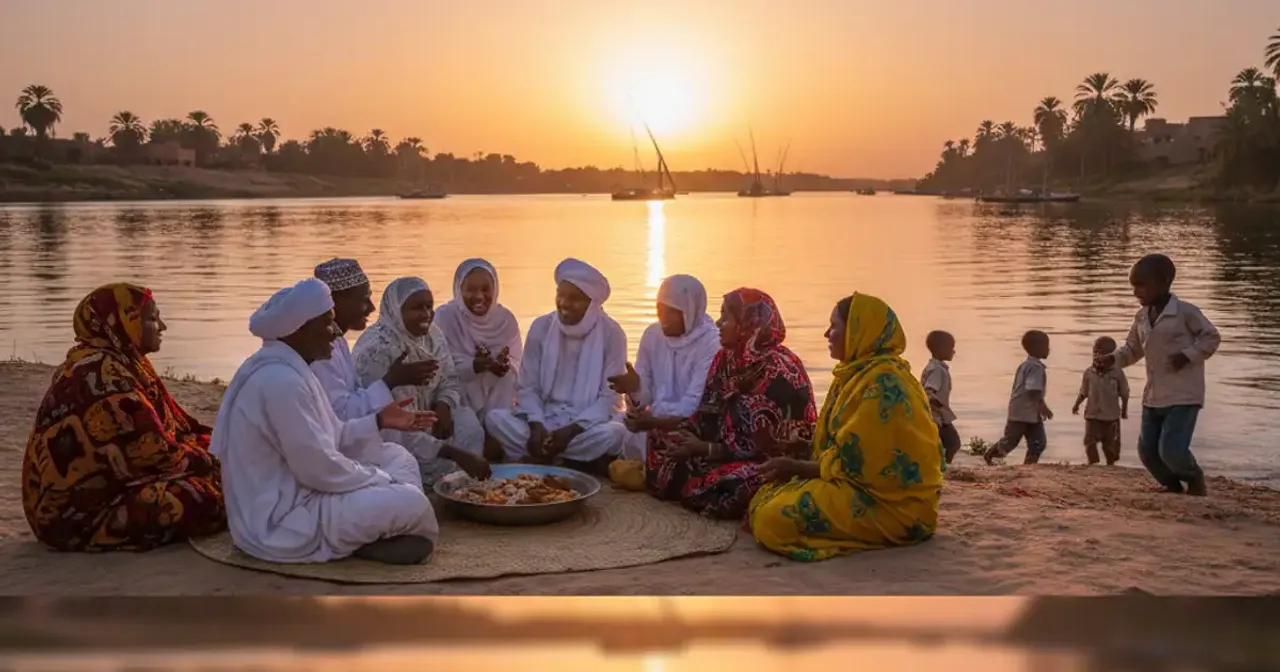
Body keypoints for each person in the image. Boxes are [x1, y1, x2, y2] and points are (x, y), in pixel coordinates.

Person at [212, 278, 440, 565]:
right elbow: (319, 469)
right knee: (413, 503)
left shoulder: (293, 368)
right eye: (328, 323)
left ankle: (369, 533)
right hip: (283, 518)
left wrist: (379, 420)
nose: (335, 332)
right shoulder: (280, 381)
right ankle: (361, 538)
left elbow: (332, 434)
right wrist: (378, 480)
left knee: (399, 457)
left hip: (306, 487)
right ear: (302, 329)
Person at [22, 284, 226, 552]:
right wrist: (214, 461)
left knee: (222, 470)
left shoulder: (119, 361)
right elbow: (156, 454)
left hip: (104, 488)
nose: (162, 326)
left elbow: (173, 434)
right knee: (207, 499)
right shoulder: (103, 377)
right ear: (124, 323)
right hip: (76, 515)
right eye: (152, 319)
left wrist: (214, 451)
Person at [748, 293, 943, 562]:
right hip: (859, 487)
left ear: (856, 332)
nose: (827, 333)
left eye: (834, 327)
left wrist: (796, 467)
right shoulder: (854, 373)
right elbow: (841, 442)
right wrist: (802, 447)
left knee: (773, 520)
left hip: (892, 505)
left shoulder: (885, 384)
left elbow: (859, 467)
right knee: (762, 499)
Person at [645, 288, 817, 519]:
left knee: (737, 482)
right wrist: (688, 434)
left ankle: (701, 491)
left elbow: (764, 447)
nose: (718, 323)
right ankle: (694, 488)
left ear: (748, 323)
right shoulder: (725, 358)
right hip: (719, 452)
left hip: (770, 463)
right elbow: (707, 409)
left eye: (726, 317)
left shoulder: (779, 370)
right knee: (659, 437)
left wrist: (704, 448)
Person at [1096, 254, 1220, 496]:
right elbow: (1132, 349)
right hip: (1153, 395)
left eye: (1142, 285)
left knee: (1172, 450)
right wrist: (1112, 359)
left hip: (1184, 395)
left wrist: (1188, 354)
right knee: (1147, 451)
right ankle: (1171, 486)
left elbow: (1211, 337)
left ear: (1164, 283)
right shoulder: (1142, 317)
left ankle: (1194, 477)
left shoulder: (1185, 312)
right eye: (1133, 286)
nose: (1136, 292)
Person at [484, 258, 628, 466]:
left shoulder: (612, 334)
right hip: (544, 417)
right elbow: (527, 387)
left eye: (574, 298)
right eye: (560, 295)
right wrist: (536, 425)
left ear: (592, 303)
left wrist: (571, 431)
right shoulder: (541, 327)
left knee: (617, 432)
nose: (564, 303)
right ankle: (571, 460)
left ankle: (543, 456)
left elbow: (609, 399)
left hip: (586, 425)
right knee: (495, 418)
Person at [352, 276, 491, 484]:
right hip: (393, 433)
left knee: (468, 423)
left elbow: (449, 379)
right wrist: (453, 453)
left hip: (431, 422)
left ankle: (462, 484)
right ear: (396, 310)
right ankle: (440, 480)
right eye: (417, 308)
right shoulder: (376, 349)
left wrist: (443, 405)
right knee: (405, 460)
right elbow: (391, 422)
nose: (427, 314)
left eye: (429, 306)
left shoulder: (433, 336)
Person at [607, 274, 721, 461]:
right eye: (660, 310)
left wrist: (652, 422)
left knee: (655, 440)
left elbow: (691, 406)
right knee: (608, 432)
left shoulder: (711, 343)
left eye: (672, 312)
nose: (664, 319)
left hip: (688, 427)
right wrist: (635, 388)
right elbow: (645, 399)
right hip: (650, 421)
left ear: (691, 311)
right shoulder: (653, 334)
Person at [310, 258, 437, 422]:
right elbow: (342, 415)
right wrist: (391, 381)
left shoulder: (338, 341)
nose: (371, 308)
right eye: (363, 299)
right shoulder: (320, 352)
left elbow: (355, 396)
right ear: (334, 301)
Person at [433, 258, 522, 460]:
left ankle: (494, 431)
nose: (479, 296)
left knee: (506, 376)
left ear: (495, 288)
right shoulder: (445, 317)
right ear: (458, 288)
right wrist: (474, 366)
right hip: (457, 401)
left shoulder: (505, 319)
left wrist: (502, 364)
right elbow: (440, 367)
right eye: (470, 289)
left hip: (498, 400)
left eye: (485, 289)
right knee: (470, 431)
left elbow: (518, 362)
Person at [984, 330, 1053, 465]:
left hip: (1024, 411)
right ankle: (992, 456)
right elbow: (1033, 390)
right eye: (1046, 346)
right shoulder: (1035, 368)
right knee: (1015, 440)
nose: (1048, 349)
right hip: (1024, 411)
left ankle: (1029, 466)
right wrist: (1043, 407)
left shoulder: (1026, 365)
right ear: (1035, 348)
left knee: (1034, 441)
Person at [1073, 336, 1130, 466]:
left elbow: (1125, 393)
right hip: (1092, 414)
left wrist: (1124, 410)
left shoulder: (1117, 373)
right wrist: (1076, 404)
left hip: (1111, 416)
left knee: (1110, 446)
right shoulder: (1089, 372)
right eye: (1095, 351)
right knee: (1089, 441)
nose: (1097, 355)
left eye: (1102, 352)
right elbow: (1084, 391)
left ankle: (1110, 465)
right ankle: (1092, 464)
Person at [921, 330, 960, 464]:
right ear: (940, 349)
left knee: (939, 443)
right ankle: (943, 466)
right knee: (953, 443)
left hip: (935, 415)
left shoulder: (933, 367)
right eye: (951, 348)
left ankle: (939, 464)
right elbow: (928, 391)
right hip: (937, 416)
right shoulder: (937, 370)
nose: (953, 351)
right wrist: (936, 405)